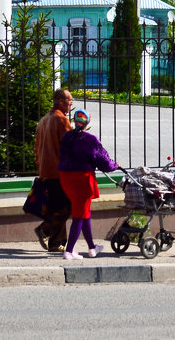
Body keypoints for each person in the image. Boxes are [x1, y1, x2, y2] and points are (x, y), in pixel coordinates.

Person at [58, 108, 119, 260]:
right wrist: (115, 165)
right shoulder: (90, 140)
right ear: (87, 123)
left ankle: (92, 247)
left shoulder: (67, 137)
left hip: (66, 178)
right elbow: (104, 161)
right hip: (82, 179)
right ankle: (69, 250)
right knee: (79, 215)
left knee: (84, 212)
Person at [32, 88, 73, 252]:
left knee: (57, 206)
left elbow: (36, 148)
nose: (71, 103)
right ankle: (45, 229)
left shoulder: (44, 120)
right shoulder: (61, 120)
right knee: (68, 206)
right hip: (59, 171)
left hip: (46, 170)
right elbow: (71, 145)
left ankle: (57, 243)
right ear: (61, 102)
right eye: (70, 100)